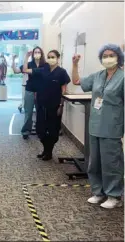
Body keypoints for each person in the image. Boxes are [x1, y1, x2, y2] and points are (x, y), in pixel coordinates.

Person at [72, 44, 124, 209]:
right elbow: (77, 81)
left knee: (111, 163)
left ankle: (114, 195)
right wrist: (74, 64)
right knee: (94, 162)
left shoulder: (122, 77)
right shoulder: (98, 76)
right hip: (95, 125)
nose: (108, 58)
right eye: (105, 55)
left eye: (111, 55)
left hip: (112, 127)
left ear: (118, 57)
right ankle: (98, 192)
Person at [23, 50, 70, 160]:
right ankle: (45, 149)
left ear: (58, 58)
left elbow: (64, 90)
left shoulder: (62, 72)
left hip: (54, 106)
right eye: (49, 57)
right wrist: (26, 57)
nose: (50, 59)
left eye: (53, 57)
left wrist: (61, 105)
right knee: (40, 130)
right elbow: (25, 70)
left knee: (53, 131)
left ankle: (49, 152)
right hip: (41, 105)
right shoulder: (43, 70)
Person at [21, 46, 46, 139]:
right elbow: (24, 70)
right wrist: (26, 57)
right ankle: (26, 131)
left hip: (41, 91)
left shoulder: (45, 65)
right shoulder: (30, 63)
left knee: (41, 112)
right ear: (33, 54)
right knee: (28, 112)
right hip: (30, 90)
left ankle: (40, 131)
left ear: (41, 54)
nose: (37, 54)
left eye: (39, 52)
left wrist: (28, 70)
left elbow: (28, 71)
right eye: (35, 52)